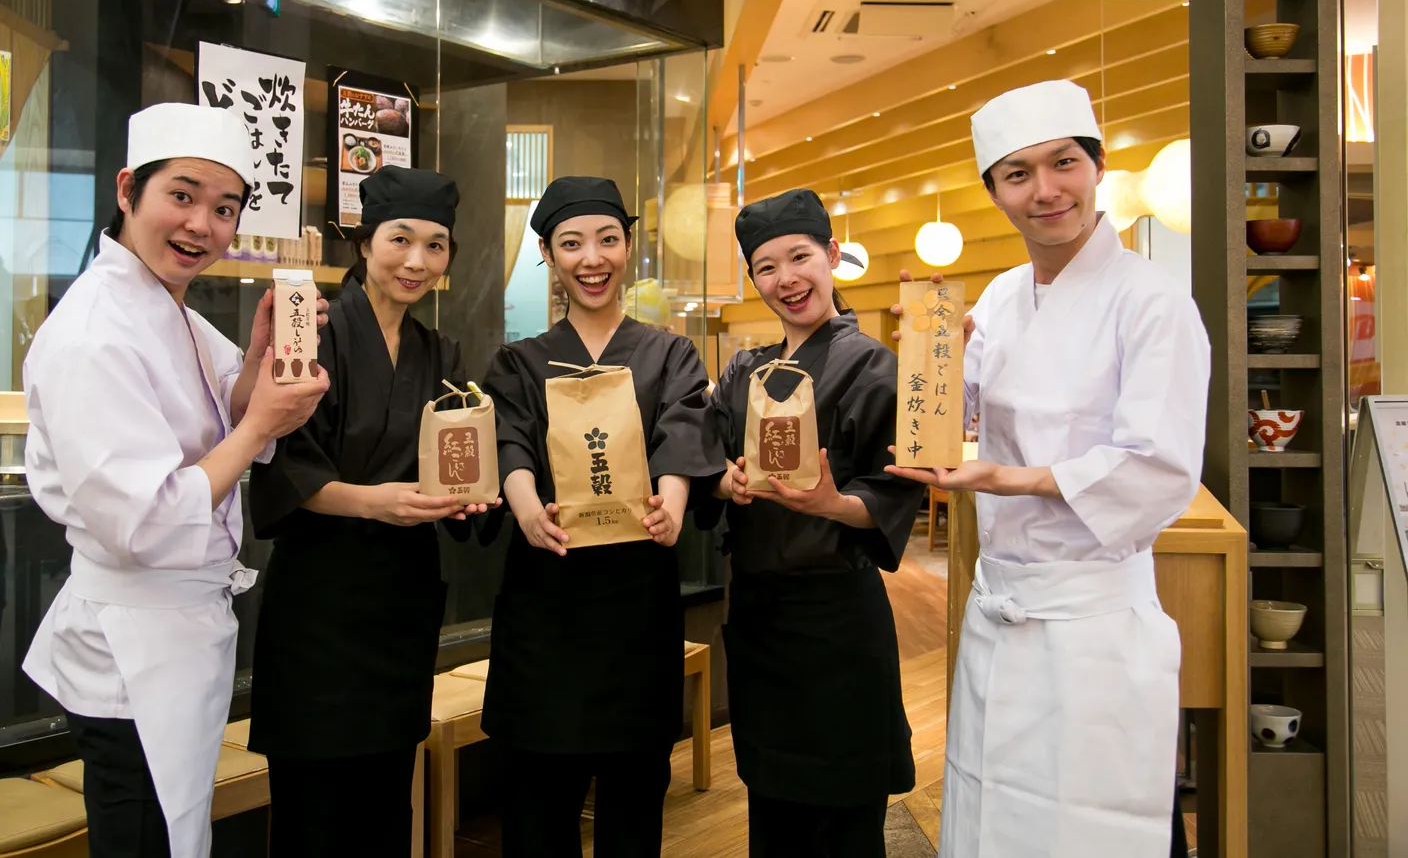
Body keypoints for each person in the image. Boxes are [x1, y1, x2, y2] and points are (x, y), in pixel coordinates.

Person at [886, 80, 1210, 858]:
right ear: (995, 191)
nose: (1046, 189)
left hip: (1093, 622)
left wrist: (1006, 478)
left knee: (1086, 829)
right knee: (991, 814)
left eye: (1063, 162)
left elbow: (1158, 466)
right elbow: (950, 422)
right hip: (1000, 615)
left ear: (1098, 166)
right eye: (1017, 173)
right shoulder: (997, 298)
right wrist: (932, 358)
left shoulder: (1153, 302)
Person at [22, 102, 328, 858]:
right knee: (144, 835)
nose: (201, 225)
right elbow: (149, 517)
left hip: (180, 634)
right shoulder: (94, 332)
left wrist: (256, 362)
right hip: (133, 643)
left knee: (176, 832)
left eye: (225, 209)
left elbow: (216, 417)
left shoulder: (173, 311)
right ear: (129, 190)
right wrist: (261, 425)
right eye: (182, 196)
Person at [247, 166, 495, 856]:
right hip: (319, 610)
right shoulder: (312, 325)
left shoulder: (439, 352)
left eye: (436, 245)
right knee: (313, 815)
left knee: (387, 806)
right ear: (363, 242)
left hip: (400, 603)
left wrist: (467, 492)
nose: (418, 261)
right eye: (400, 239)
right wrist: (374, 501)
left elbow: (450, 458)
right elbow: (283, 459)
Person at [479, 175, 726, 858]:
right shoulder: (519, 360)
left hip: (635, 607)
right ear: (548, 254)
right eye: (572, 243)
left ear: (627, 246)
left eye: (607, 239)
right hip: (544, 604)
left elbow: (684, 427)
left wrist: (672, 505)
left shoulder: (669, 351)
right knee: (536, 808)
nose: (593, 257)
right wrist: (527, 509)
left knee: (633, 806)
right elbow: (510, 440)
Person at [700, 189, 924, 858]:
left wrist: (830, 502)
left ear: (831, 255)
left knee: (844, 821)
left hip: (837, 621)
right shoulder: (743, 369)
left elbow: (892, 493)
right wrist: (725, 478)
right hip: (761, 617)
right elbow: (704, 454)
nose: (786, 278)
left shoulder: (876, 367)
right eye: (766, 267)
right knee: (771, 807)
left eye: (800, 256)